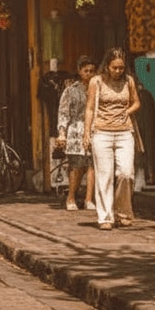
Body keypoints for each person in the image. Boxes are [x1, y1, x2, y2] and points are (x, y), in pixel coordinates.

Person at [83, 48, 141, 231]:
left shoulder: (129, 81)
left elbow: (136, 102)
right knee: (104, 176)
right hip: (102, 132)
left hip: (125, 132)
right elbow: (90, 108)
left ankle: (123, 212)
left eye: (121, 68)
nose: (118, 71)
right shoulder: (96, 82)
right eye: (114, 67)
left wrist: (127, 111)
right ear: (107, 66)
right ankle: (105, 216)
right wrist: (86, 133)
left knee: (126, 173)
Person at [55, 56, 96, 212]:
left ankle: (88, 199)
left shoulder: (97, 88)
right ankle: (71, 197)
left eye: (92, 71)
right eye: (86, 71)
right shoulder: (71, 90)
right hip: (75, 130)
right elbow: (63, 113)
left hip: (94, 128)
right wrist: (62, 133)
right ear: (79, 71)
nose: (89, 74)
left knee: (92, 164)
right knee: (76, 165)